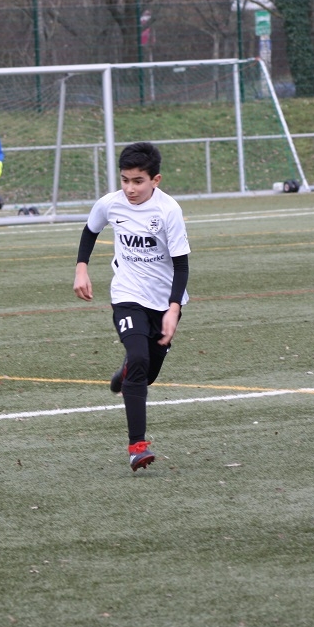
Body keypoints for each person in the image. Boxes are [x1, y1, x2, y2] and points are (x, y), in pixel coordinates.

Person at [72, 142, 190, 471]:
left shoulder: (168, 211)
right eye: (125, 180)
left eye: (138, 181)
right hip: (127, 294)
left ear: (155, 180)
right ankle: (137, 446)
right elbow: (90, 230)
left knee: (145, 374)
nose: (130, 188)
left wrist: (173, 308)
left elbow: (181, 266)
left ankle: (124, 374)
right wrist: (81, 268)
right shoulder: (111, 204)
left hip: (164, 301)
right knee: (138, 358)